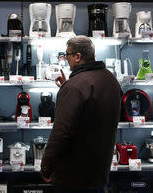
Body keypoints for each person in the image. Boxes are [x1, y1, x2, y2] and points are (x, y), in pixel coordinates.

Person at [40, 35, 122, 192]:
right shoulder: (110, 79)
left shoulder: (75, 87)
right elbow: (93, 109)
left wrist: (46, 167)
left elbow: (62, 132)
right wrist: (67, 86)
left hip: (74, 177)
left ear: (77, 57)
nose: (66, 58)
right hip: (99, 172)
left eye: (67, 54)